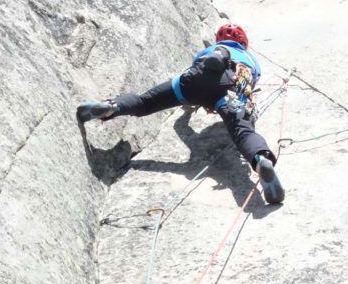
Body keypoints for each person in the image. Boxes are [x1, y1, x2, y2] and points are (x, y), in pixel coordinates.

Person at [76, 23, 284, 204]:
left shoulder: (209, 49)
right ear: (243, 42)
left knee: (145, 102)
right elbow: (249, 86)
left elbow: (180, 127)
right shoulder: (250, 60)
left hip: (193, 80)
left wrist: (187, 110)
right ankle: (260, 160)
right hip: (229, 87)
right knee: (243, 133)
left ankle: (112, 106)